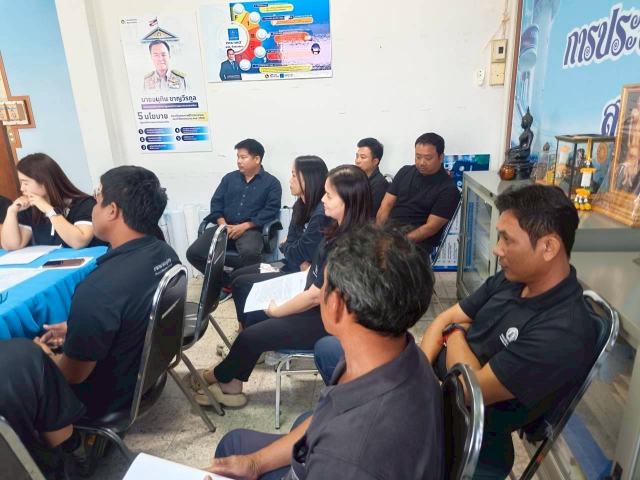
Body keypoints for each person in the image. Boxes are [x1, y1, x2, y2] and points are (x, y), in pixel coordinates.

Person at [314, 184, 598, 479]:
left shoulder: (562, 331)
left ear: (549, 247)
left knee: (330, 437)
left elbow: (468, 389)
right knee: (330, 350)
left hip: (458, 425)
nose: (497, 249)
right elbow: (445, 318)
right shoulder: (513, 279)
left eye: (507, 239)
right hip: (432, 388)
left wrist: (454, 334)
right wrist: (416, 374)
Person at [204, 224, 443, 480]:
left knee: (231, 444)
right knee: (239, 444)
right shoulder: (402, 352)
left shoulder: (347, 459)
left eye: (323, 287)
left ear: (336, 305)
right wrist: (256, 463)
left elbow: (342, 447)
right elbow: (327, 415)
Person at [183, 165, 372, 407]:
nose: (323, 199)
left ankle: (218, 376)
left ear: (349, 200)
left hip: (328, 321)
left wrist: (278, 311)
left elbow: (316, 296)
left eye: (329, 195)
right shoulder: (336, 228)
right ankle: (232, 383)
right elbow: (315, 272)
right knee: (252, 313)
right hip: (313, 301)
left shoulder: (350, 243)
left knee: (251, 336)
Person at [32, 166, 180, 424]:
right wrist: (80, 328)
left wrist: (42, 357)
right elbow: (134, 312)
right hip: (150, 372)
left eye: (97, 197)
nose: (93, 206)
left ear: (112, 210)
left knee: (20, 368)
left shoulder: (97, 290)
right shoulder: (164, 252)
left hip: (111, 397)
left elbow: (72, 375)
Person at [229, 155, 331, 330]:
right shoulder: (300, 206)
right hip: (291, 264)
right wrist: (289, 247)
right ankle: (243, 327)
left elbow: (299, 249)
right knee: (236, 276)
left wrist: (287, 247)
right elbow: (293, 243)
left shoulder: (321, 214)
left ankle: (248, 331)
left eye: (294, 175)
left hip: (299, 274)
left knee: (242, 283)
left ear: (308, 179)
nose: (290, 180)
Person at [186, 139, 281, 301]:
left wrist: (244, 226)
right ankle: (227, 283)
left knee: (250, 252)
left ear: (256, 159)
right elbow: (216, 203)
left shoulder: (271, 183)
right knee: (194, 253)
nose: (239, 161)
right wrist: (223, 226)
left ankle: (254, 288)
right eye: (238, 157)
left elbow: (270, 210)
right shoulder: (229, 179)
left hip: (251, 229)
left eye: (243, 157)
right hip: (224, 226)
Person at [0, 339, 86, 479]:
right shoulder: (23, 354)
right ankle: (82, 457)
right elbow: (60, 436)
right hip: (40, 470)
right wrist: (47, 357)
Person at [376, 132, 460, 256]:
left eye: (428, 158)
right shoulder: (405, 172)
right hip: (391, 232)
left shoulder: (448, 189)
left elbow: (430, 228)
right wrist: (377, 235)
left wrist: (397, 243)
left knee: (378, 260)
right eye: (418, 157)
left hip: (416, 243)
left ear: (441, 157)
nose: (421, 162)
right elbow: (386, 205)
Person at [1, 153, 104, 251]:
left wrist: (49, 210)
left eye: (26, 183)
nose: (22, 188)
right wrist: (12, 212)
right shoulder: (31, 209)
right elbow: (11, 246)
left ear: (44, 182)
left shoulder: (84, 204)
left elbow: (79, 242)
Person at [355, 137, 388, 214]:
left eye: (363, 157)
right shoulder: (357, 178)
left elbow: (368, 213)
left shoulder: (379, 184)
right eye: (357, 156)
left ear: (375, 161)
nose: (357, 161)